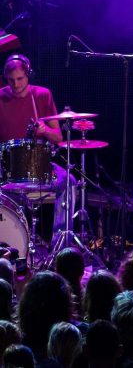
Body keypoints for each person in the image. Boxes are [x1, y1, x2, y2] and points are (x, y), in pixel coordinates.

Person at [0, 54, 75, 245]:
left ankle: (60, 244)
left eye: (20, 79)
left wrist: (44, 130)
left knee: (69, 182)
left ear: (28, 75)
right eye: (11, 80)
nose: (16, 85)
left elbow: (58, 137)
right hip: (5, 166)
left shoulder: (42, 95)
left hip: (38, 164)